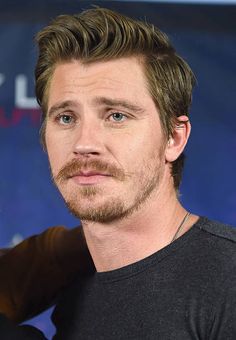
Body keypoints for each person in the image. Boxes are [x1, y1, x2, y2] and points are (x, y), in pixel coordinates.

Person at [33, 7, 236, 339]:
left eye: (116, 116)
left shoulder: (228, 280)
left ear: (174, 138)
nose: (85, 144)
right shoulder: (73, 299)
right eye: (66, 118)